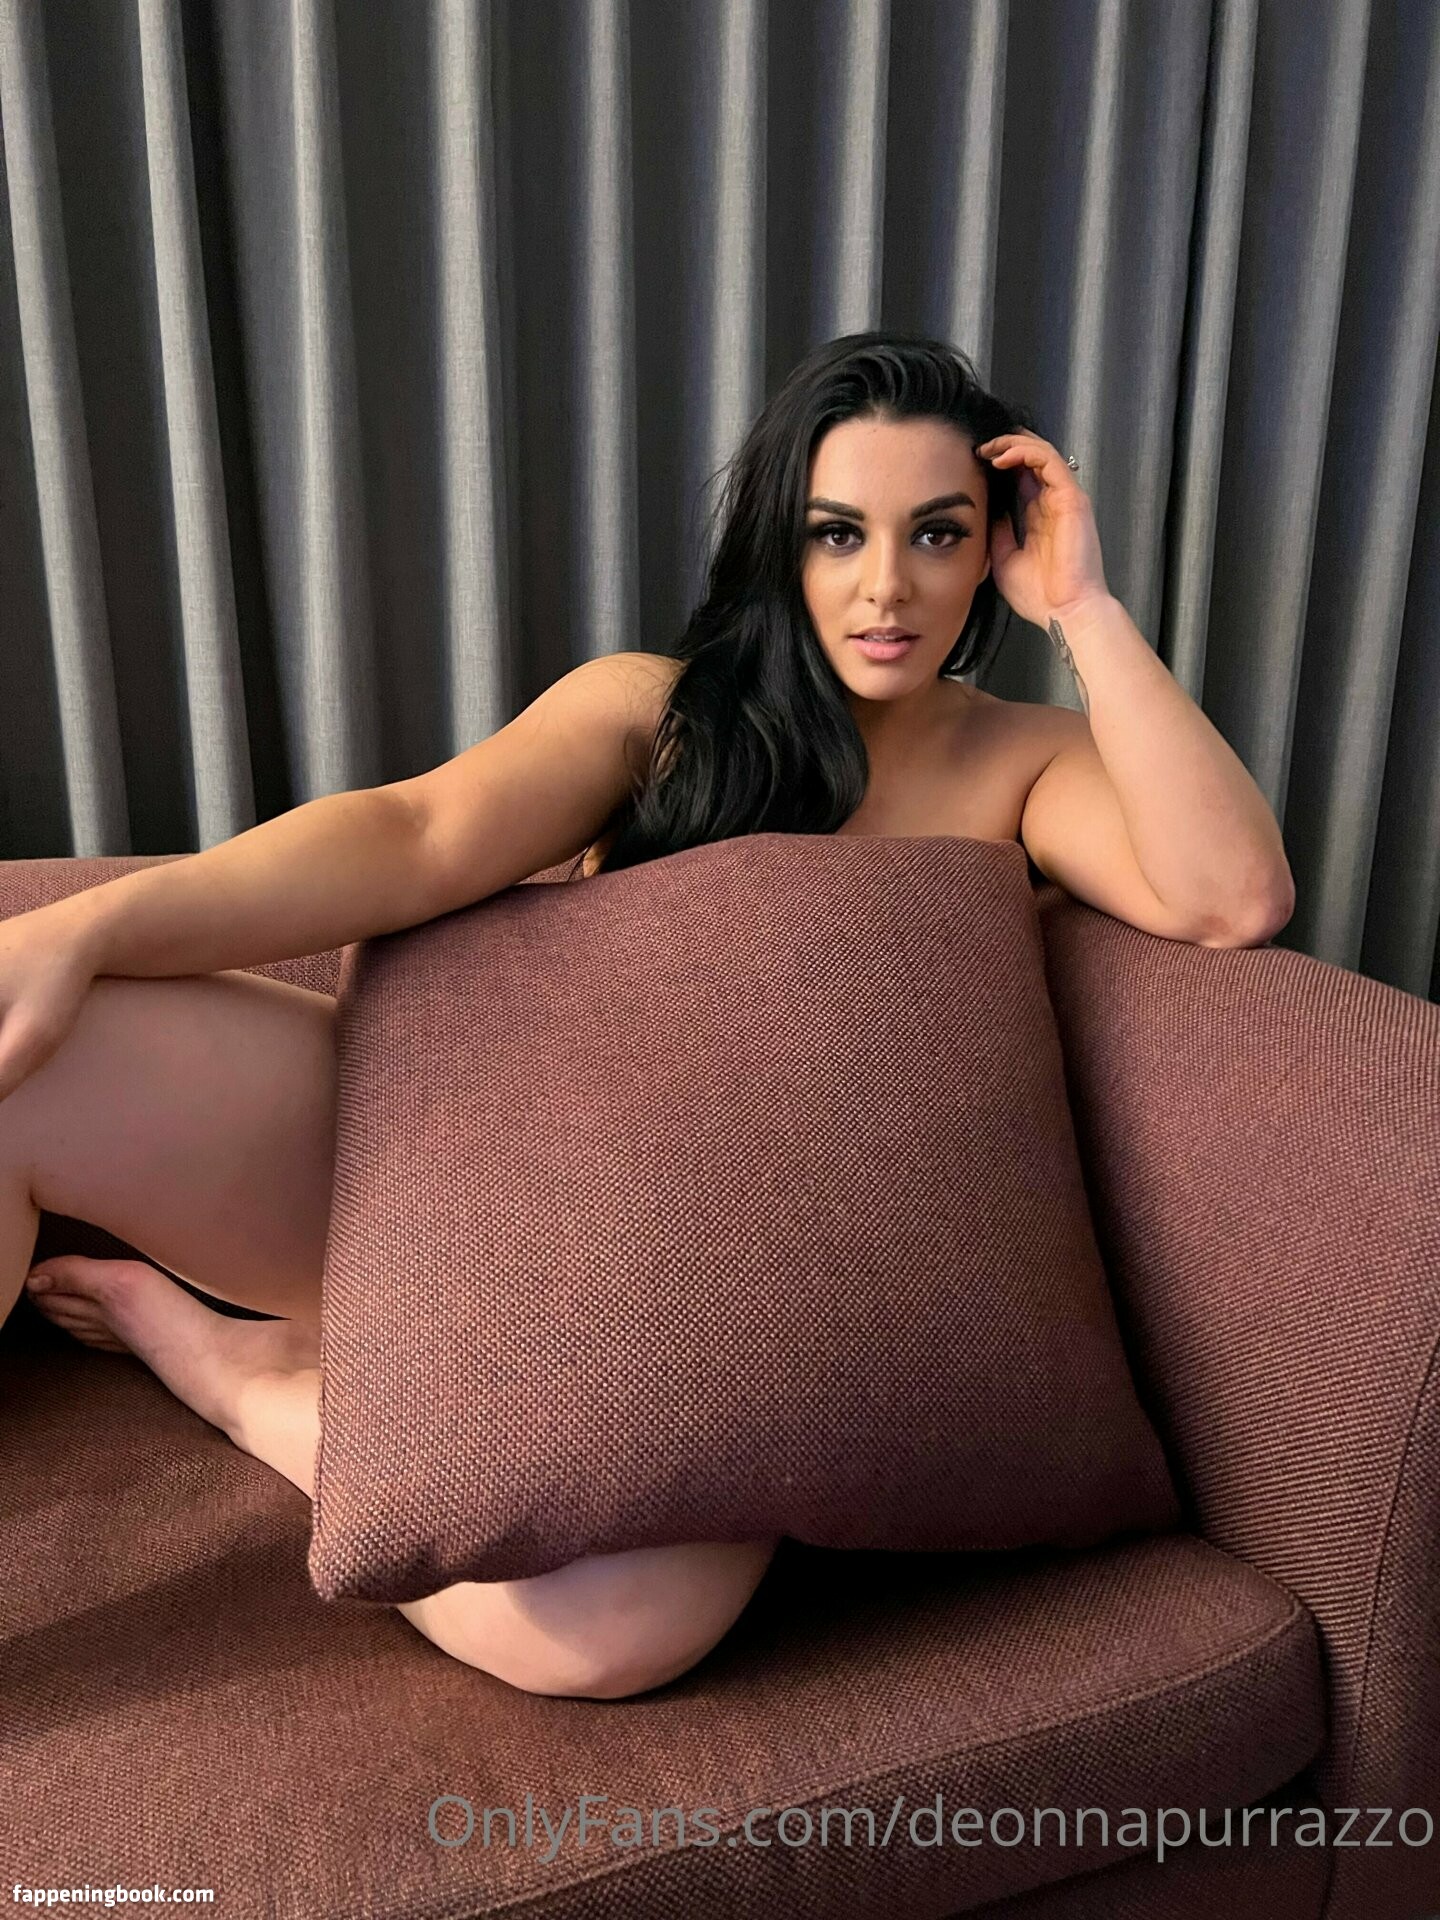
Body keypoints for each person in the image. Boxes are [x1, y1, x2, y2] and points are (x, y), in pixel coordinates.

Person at [0, 329, 1051, 1700]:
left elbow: (1231, 891)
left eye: (940, 533)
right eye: (837, 531)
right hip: (444, 1168)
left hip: (697, 1302)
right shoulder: (661, 712)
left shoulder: (1026, 762)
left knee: (606, 1639)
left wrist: (1083, 607)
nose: (887, 585)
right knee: (21, 1050)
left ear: (995, 547)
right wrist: (83, 929)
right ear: (778, 543)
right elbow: (416, 833)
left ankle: (239, 1378)